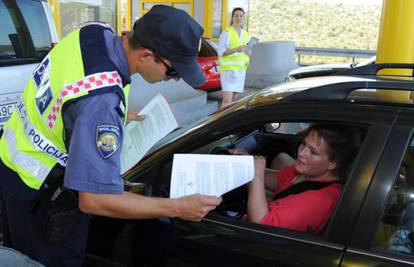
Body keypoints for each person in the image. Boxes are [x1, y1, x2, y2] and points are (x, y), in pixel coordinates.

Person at [0, 5, 221, 266]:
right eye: (173, 71)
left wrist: (107, 116)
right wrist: (177, 207)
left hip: (12, 165)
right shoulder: (101, 103)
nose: (174, 80)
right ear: (147, 55)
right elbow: (94, 200)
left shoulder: (95, 33)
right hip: (41, 195)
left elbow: (70, 91)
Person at [234, 124, 361, 234]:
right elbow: (277, 179)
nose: (301, 153)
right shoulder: (307, 172)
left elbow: (259, 227)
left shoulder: (316, 201)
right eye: (304, 144)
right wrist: (247, 164)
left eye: (313, 152)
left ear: (332, 164)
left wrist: (256, 176)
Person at [218, 7, 251, 109]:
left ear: (243, 18)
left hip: (241, 72)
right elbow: (221, 52)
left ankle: (228, 123)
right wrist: (237, 49)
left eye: (241, 16)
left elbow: (248, 52)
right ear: (232, 18)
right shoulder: (226, 33)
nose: (239, 18)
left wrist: (249, 51)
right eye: (236, 15)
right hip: (228, 72)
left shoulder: (245, 34)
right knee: (227, 101)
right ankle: (218, 123)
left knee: (233, 102)